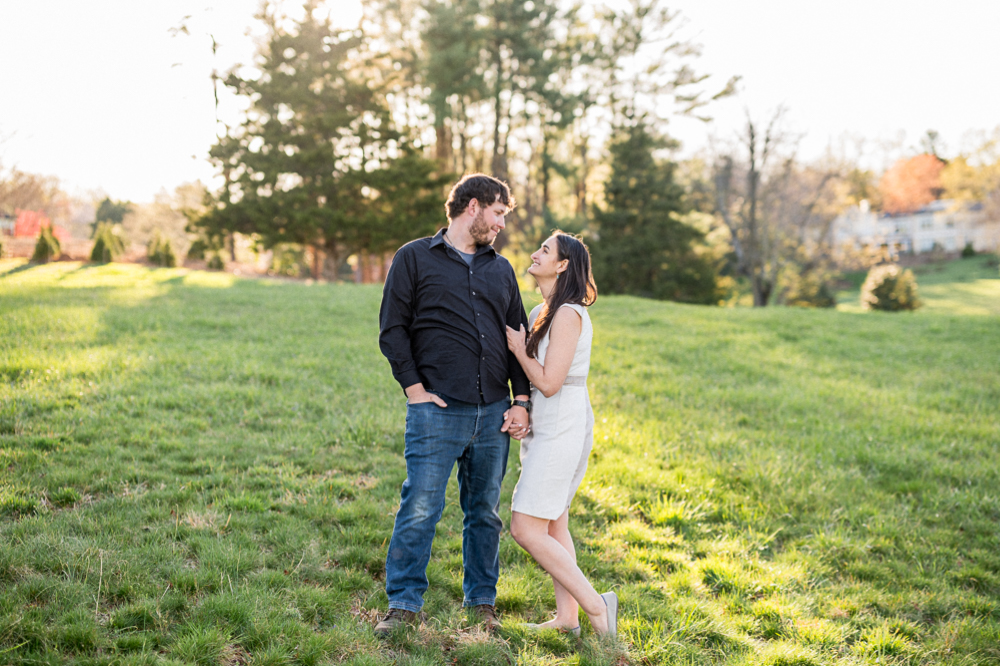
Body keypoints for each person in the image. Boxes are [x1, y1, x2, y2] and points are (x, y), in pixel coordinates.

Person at [376, 174, 532, 636]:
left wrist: (520, 399)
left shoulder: (500, 269)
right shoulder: (414, 258)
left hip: (493, 413)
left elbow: (517, 339)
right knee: (421, 506)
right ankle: (403, 605)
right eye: (500, 212)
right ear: (474, 206)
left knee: (483, 512)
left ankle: (482, 601)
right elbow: (392, 329)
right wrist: (414, 390)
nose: (502, 223)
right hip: (436, 410)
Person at [505, 231, 618, 638]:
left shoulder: (569, 313)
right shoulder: (543, 310)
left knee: (524, 527)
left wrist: (519, 349)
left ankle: (596, 605)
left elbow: (551, 382)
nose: (535, 254)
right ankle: (568, 618)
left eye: (545, 251)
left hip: (563, 424)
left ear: (563, 265)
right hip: (548, 423)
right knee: (553, 525)